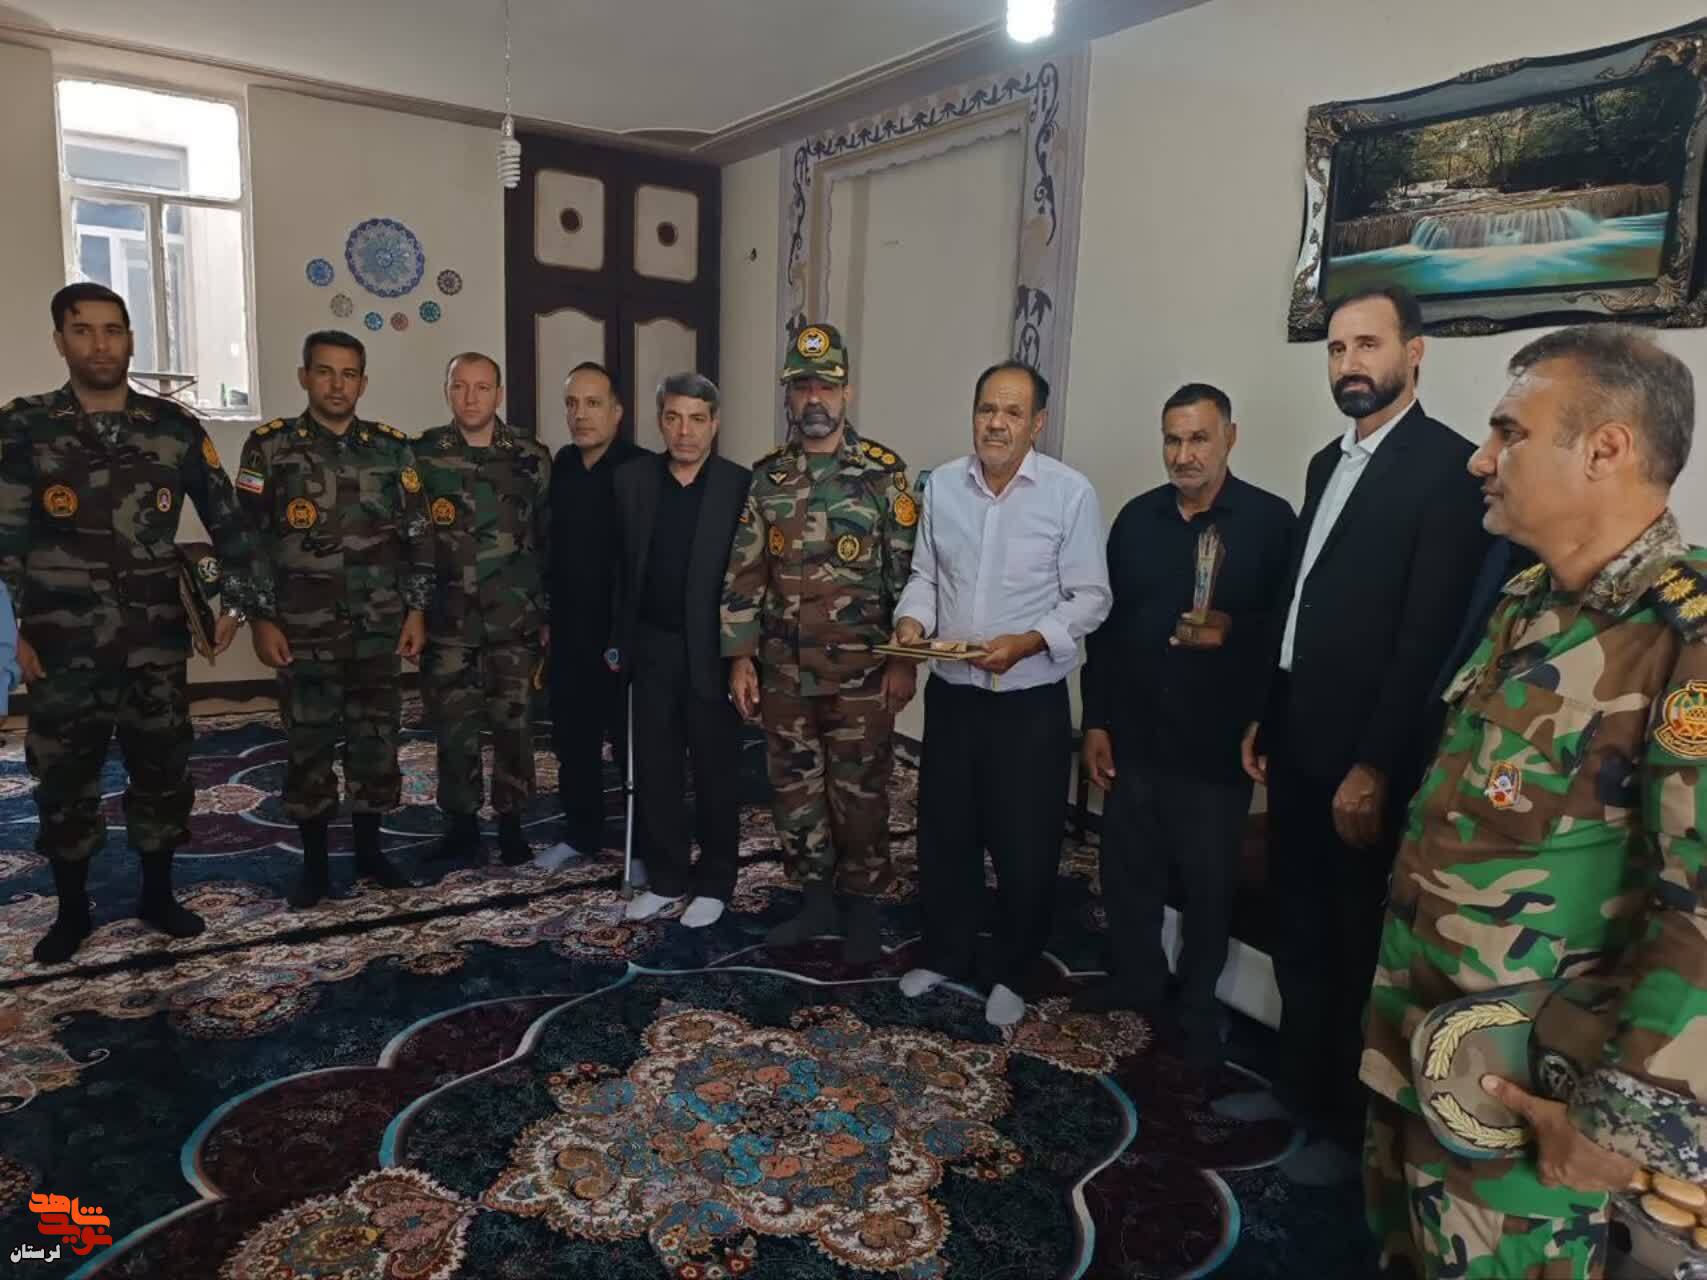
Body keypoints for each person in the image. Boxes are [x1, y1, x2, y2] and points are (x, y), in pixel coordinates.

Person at [1362, 324, 1707, 1278]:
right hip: (1425, 1045)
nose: (1481, 459)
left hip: (1536, 1093)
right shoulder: (1529, 603)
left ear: (1605, 449)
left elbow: (1699, 906)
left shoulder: (1682, 640)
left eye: (1509, 433)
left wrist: (1614, 1125)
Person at [1231, 284, 1489, 1183]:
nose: (1349, 364)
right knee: (1296, 918)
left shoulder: (1447, 470)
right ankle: (1293, 1089)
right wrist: (1266, 711)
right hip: (1298, 733)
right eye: (1337, 348)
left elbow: (1424, 638)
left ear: (1413, 353)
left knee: (1351, 941)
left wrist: (1375, 763)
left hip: (1363, 758)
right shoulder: (1323, 462)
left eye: (1367, 345)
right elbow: (1301, 603)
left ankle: (1343, 1130)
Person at [0, 282, 257, 962]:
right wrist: (10, 636)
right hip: (62, 646)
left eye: (113, 330)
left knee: (163, 773)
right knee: (64, 781)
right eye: (83, 330)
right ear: (60, 340)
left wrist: (236, 605)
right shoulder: (23, 426)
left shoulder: (172, 428)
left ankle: (157, 896)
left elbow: (230, 522)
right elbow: (4, 539)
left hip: (153, 643)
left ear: (131, 339)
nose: (100, 344)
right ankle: (71, 911)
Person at [1078, 383, 1295, 1066]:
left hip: (1215, 744)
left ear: (1230, 437)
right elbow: (1105, 630)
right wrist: (1096, 720)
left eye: (1198, 438)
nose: (1183, 454)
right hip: (1136, 733)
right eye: (1172, 439)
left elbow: (1286, 633)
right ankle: (1136, 977)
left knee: (1207, 885)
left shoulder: (1268, 522)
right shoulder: (1137, 520)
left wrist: (1234, 633)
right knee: (1127, 870)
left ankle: (1198, 1004)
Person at [895, 361, 1111, 1026]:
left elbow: (1090, 597)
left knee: (1024, 844)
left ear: (1036, 423)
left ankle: (1014, 969)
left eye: (1012, 412)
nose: (996, 423)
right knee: (945, 833)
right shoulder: (943, 486)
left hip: (1027, 703)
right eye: (987, 409)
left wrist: (1030, 640)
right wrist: (912, 621)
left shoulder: (1069, 494)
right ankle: (946, 949)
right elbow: (925, 575)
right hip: (953, 696)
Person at [721, 323, 917, 964]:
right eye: (802, 385)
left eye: (825, 386)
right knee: (795, 791)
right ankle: (815, 901)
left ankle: (862, 907)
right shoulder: (767, 478)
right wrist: (741, 657)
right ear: (788, 394)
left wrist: (905, 663)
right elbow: (745, 573)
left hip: (863, 675)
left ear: (846, 391)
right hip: (785, 672)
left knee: (860, 792)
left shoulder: (884, 475)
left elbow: (908, 578)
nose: (814, 398)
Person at [237, 330, 429, 907]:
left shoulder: (392, 449)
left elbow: (418, 537)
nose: (337, 385)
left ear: (363, 383)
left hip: (377, 627)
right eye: (325, 372)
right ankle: (316, 866)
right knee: (309, 746)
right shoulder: (270, 447)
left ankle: (371, 852)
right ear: (304, 377)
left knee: (376, 743)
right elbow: (247, 541)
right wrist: (260, 619)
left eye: (348, 374)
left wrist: (417, 610)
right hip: (303, 631)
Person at [612, 373, 749, 927]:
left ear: (715, 423)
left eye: (697, 419)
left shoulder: (739, 485)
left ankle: (716, 881)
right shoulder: (632, 481)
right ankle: (667, 878)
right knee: (656, 767)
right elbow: (618, 571)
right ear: (660, 422)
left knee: (716, 770)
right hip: (650, 646)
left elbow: (751, 575)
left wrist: (744, 654)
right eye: (673, 418)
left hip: (713, 649)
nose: (684, 431)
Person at [416, 352, 551, 867]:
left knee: (514, 727)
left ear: (499, 393)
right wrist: (413, 612)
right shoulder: (423, 456)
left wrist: (548, 614)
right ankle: (461, 826)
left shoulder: (531, 456)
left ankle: (512, 824)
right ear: (446, 391)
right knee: (454, 728)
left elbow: (549, 539)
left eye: (482, 387)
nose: (471, 398)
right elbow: (412, 539)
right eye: (460, 386)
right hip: (447, 622)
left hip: (513, 621)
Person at [546, 362, 650, 868]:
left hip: (623, 632)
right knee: (573, 740)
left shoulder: (641, 471)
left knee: (632, 745)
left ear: (617, 411)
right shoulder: (563, 465)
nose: (580, 414)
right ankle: (580, 833)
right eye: (572, 404)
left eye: (592, 403)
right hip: (570, 631)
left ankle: (643, 847)